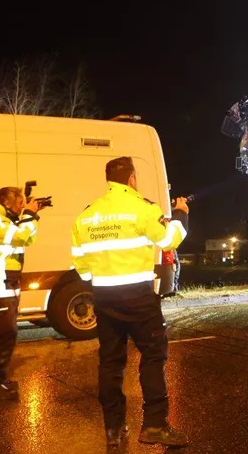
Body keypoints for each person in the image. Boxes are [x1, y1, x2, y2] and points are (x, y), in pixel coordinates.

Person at [71, 157, 189, 448]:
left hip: (104, 297)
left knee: (110, 363)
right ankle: (154, 425)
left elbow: (80, 263)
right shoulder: (143, 208)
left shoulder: (86, 216)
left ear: (109, 179)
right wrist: (181, 215)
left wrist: (100, 277)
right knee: (152, 356)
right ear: (132, 179)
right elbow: (168, 241)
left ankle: (114, 429)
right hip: (138, 297)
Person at [0, 187, 44, 400]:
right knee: (6, 334)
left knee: (7, 334)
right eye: (20, 202)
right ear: (6, 202)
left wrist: (28, 214)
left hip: (6, 285)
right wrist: (31, 215)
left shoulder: (5, 220)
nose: (23, 205)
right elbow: (23, 238)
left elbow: (21, 235)